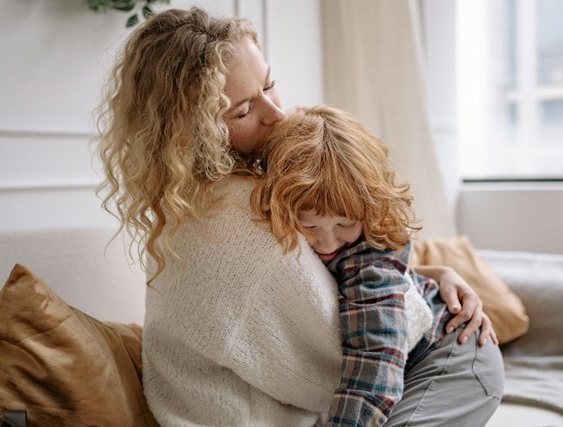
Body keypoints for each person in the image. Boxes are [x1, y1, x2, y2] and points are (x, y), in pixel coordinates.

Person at [96, 7, 498, 426]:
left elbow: (361, 312)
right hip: (431, 353)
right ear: (192, 132)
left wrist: (430, 274)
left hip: (451, 349)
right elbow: (339, 354)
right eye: (243, 110)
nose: (277, 114)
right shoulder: (234, 213)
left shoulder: (214, 195)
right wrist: (423, 282)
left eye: (269, 84)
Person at [250, 105, 504, 426]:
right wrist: (439, 272)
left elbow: (374, 362)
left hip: (456, 358)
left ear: (368, 210)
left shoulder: (372, 257)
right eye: (310, 227)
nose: (328, 243)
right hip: (418, 362)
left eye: (345, 224)